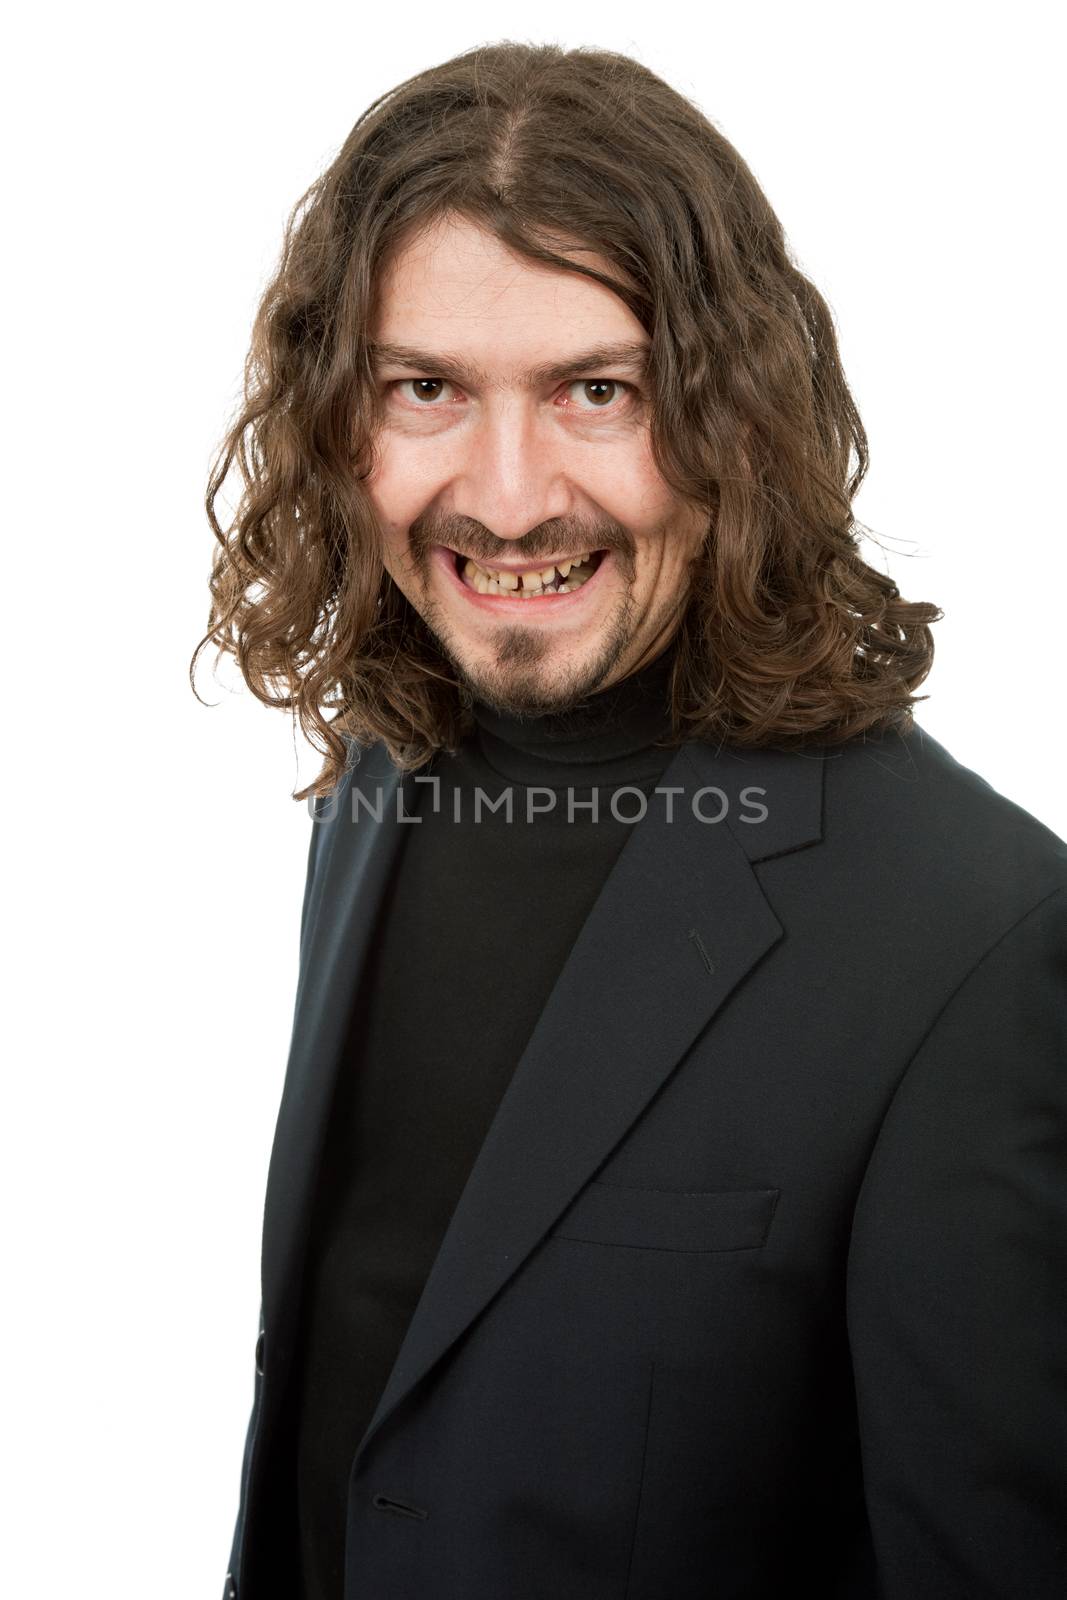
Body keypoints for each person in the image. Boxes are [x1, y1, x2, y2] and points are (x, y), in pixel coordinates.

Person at [192, 40, 1067, 1600]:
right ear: (343, 418)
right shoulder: (387, 770)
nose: (509, 494)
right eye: (427, 390)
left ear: (735, 416)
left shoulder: (982, 937)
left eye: (599, 392)